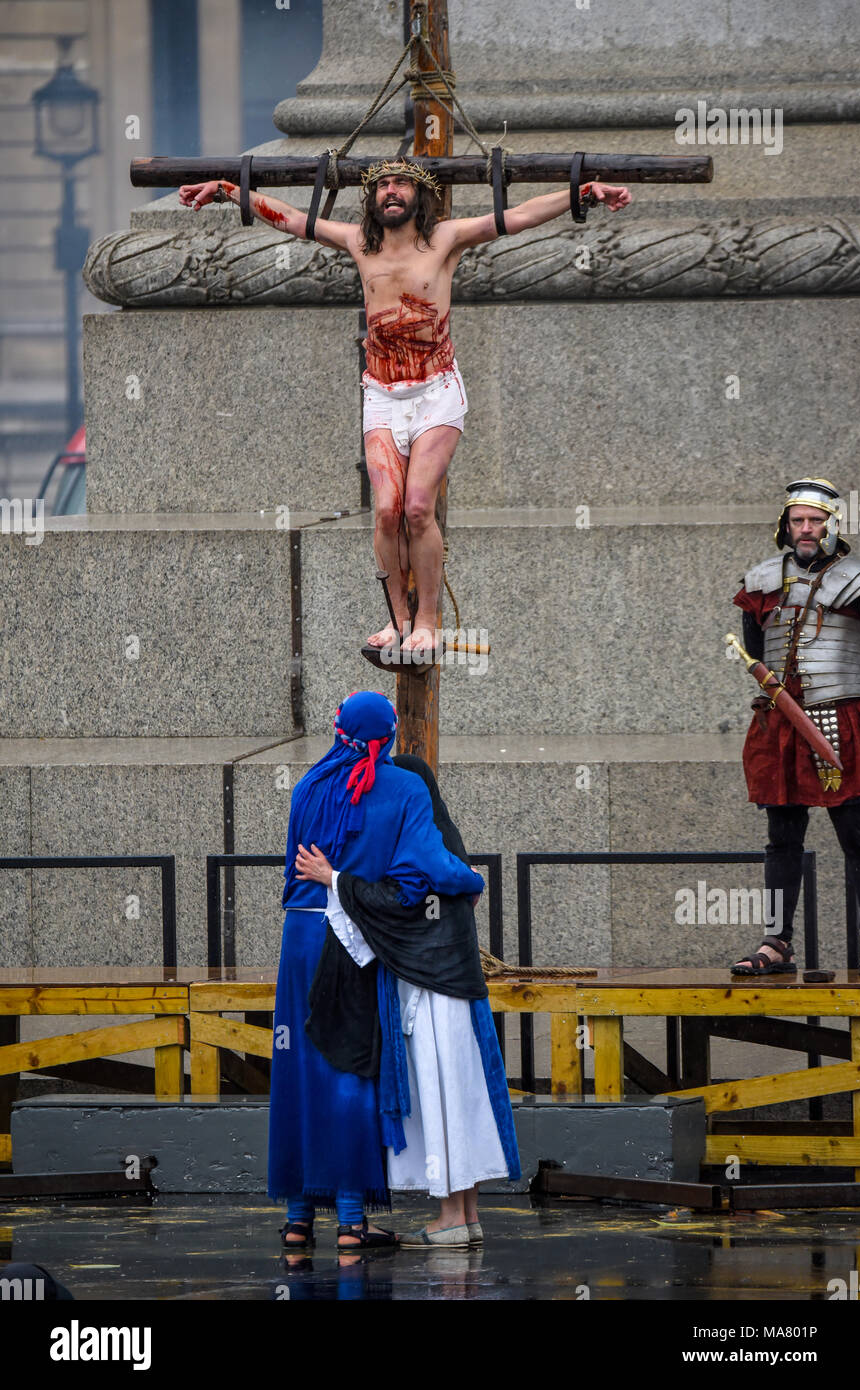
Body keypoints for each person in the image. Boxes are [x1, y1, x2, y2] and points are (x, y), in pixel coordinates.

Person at [179, 161, 631, 656]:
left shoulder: (446, 240)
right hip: (382, 394)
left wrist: (581, 191)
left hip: (436, 391)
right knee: (387, 511)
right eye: (382, 186)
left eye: (401, 184)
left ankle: (428, 622)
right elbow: (290, 218)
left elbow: (518, 215)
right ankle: (398, 621)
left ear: (421, 195)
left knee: (418, 507)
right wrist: (227, 190)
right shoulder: (358, 243)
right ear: (372, 199)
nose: (391, 192)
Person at [268, 690, 485, 1250]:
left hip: (298, 938)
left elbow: (292, 870)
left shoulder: (307, 787)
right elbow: (429, 866)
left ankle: (296, 1219)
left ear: (337, 730)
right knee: (351, 1067)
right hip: (354, 939)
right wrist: (471, 880)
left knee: (298, 1072)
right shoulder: (404, 785)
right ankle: (349, 1221)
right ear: (388, 736)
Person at [296, 753, 520, 1249]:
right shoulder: (450, 847)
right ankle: (467, 1213)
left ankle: (449, 1218)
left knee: (440, 1098)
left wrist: (333, 878)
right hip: (463, 989)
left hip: (430, 993)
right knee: (467, 1095)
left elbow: (397, 903)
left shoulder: (414, 850)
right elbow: (454, 884)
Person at [731, 479, 860, 975]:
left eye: (814, 520)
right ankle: (776, 941)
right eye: (797, 521)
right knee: (781, 837)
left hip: (844, 718)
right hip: (782, 724)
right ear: (785, 527)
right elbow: (753, 649)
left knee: (859, 835)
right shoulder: (762, 581)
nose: (805, 529)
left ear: (832, 523)